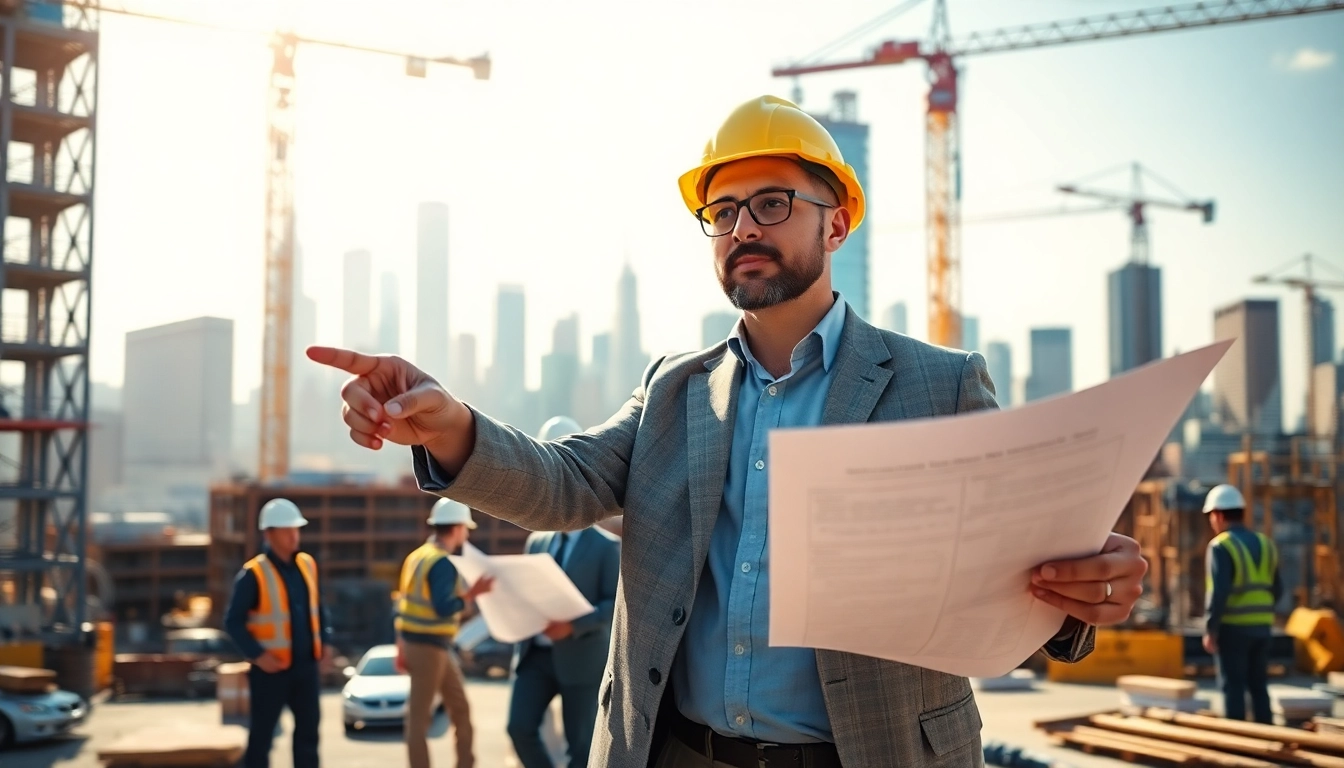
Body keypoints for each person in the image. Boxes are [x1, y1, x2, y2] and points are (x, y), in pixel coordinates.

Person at [308, 94, 1148, 768]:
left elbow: (1016, 558)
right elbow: (563, 484)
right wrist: (450, 426)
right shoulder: (672, 391)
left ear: (836, 224)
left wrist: (1083, 595)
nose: (743, 227)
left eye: (772, 204)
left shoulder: (938, 384)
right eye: (723, 210)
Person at [508, 416, 622, 768]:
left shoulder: (606, 547)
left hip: (581, 659)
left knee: (581, 746)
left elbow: (613, 606)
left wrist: (571, 626)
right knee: (519, 728)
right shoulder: (536, 542)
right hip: (535, 657)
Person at [223, 498, 331, 768]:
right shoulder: (253, 574)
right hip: (270, 673)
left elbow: (318, 608)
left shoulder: (307, 564)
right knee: (262, 738)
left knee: (308, 736)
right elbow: (233, 622)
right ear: (268, 534)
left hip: (306, 669)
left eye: (296, 529)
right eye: (287, 530)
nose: (294, 536)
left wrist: (326, 643)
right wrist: (258, 656)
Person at [396, 497, 495, 768]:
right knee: (419, 719)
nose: (468, 534)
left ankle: (465, 763)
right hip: (428, 648)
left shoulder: (417, 556)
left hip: (430, 645)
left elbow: (402, 606)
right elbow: (443, 608)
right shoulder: (442, 562)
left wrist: (400, 646)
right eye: (466, 528)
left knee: (460, 709)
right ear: (458, 528)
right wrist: (472, 594)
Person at [1201, 483, 1282, 724]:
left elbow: (1219, 592)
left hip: (1233, 629)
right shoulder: (1266, 543)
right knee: (1259, 686)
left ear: (1218, 515)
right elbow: (1278, 589)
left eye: (1211, 516)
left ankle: (1237, 738)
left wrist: (1211, 629)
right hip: (1263, 628)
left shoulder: (1221, 545)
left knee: (1233, 687)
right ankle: (1267, 737)